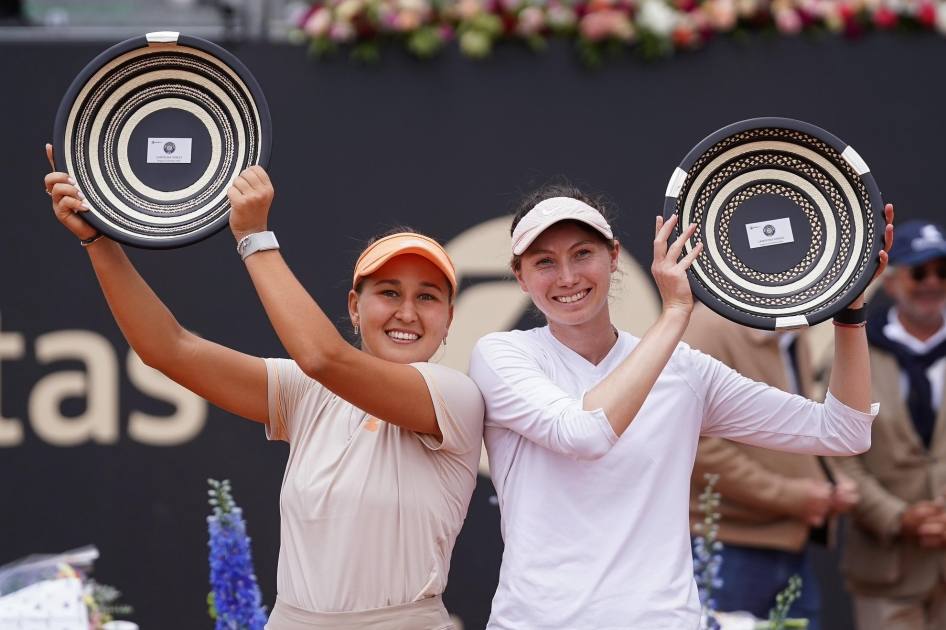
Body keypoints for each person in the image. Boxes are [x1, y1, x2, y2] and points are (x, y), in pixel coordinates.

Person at [43, 146, 484, 630]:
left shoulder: (453, 396)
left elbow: (322, 357)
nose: (407, 312)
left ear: (449, 319)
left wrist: (254, 237)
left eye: (427, 297)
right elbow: (168, 349)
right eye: (389, 293)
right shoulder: (308, 391)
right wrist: (98, 240)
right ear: (355, 307)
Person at [467, 183, 893, 629]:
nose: (568, 277)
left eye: (582, 254)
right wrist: (675, 313)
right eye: (544, 263)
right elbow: (586, 431)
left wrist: (850, 311)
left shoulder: (684, 370)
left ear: (613, 257)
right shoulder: (502, 355)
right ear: (520, 276)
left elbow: (844, 431)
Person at [685, 304, 860, 630]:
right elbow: (693, 441)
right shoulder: (709, 325)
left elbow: (800, 421)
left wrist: (830, 482)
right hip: (729, 546)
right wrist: (792, 495)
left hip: (791, 541)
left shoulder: (791, 325)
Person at [834, 219, 946, 630]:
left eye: (942, 271)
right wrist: (898, 516)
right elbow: (838, 453)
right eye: (919, 272)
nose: (932, 283)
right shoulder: (855, 352)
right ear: (894, 282)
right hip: (886, 569)